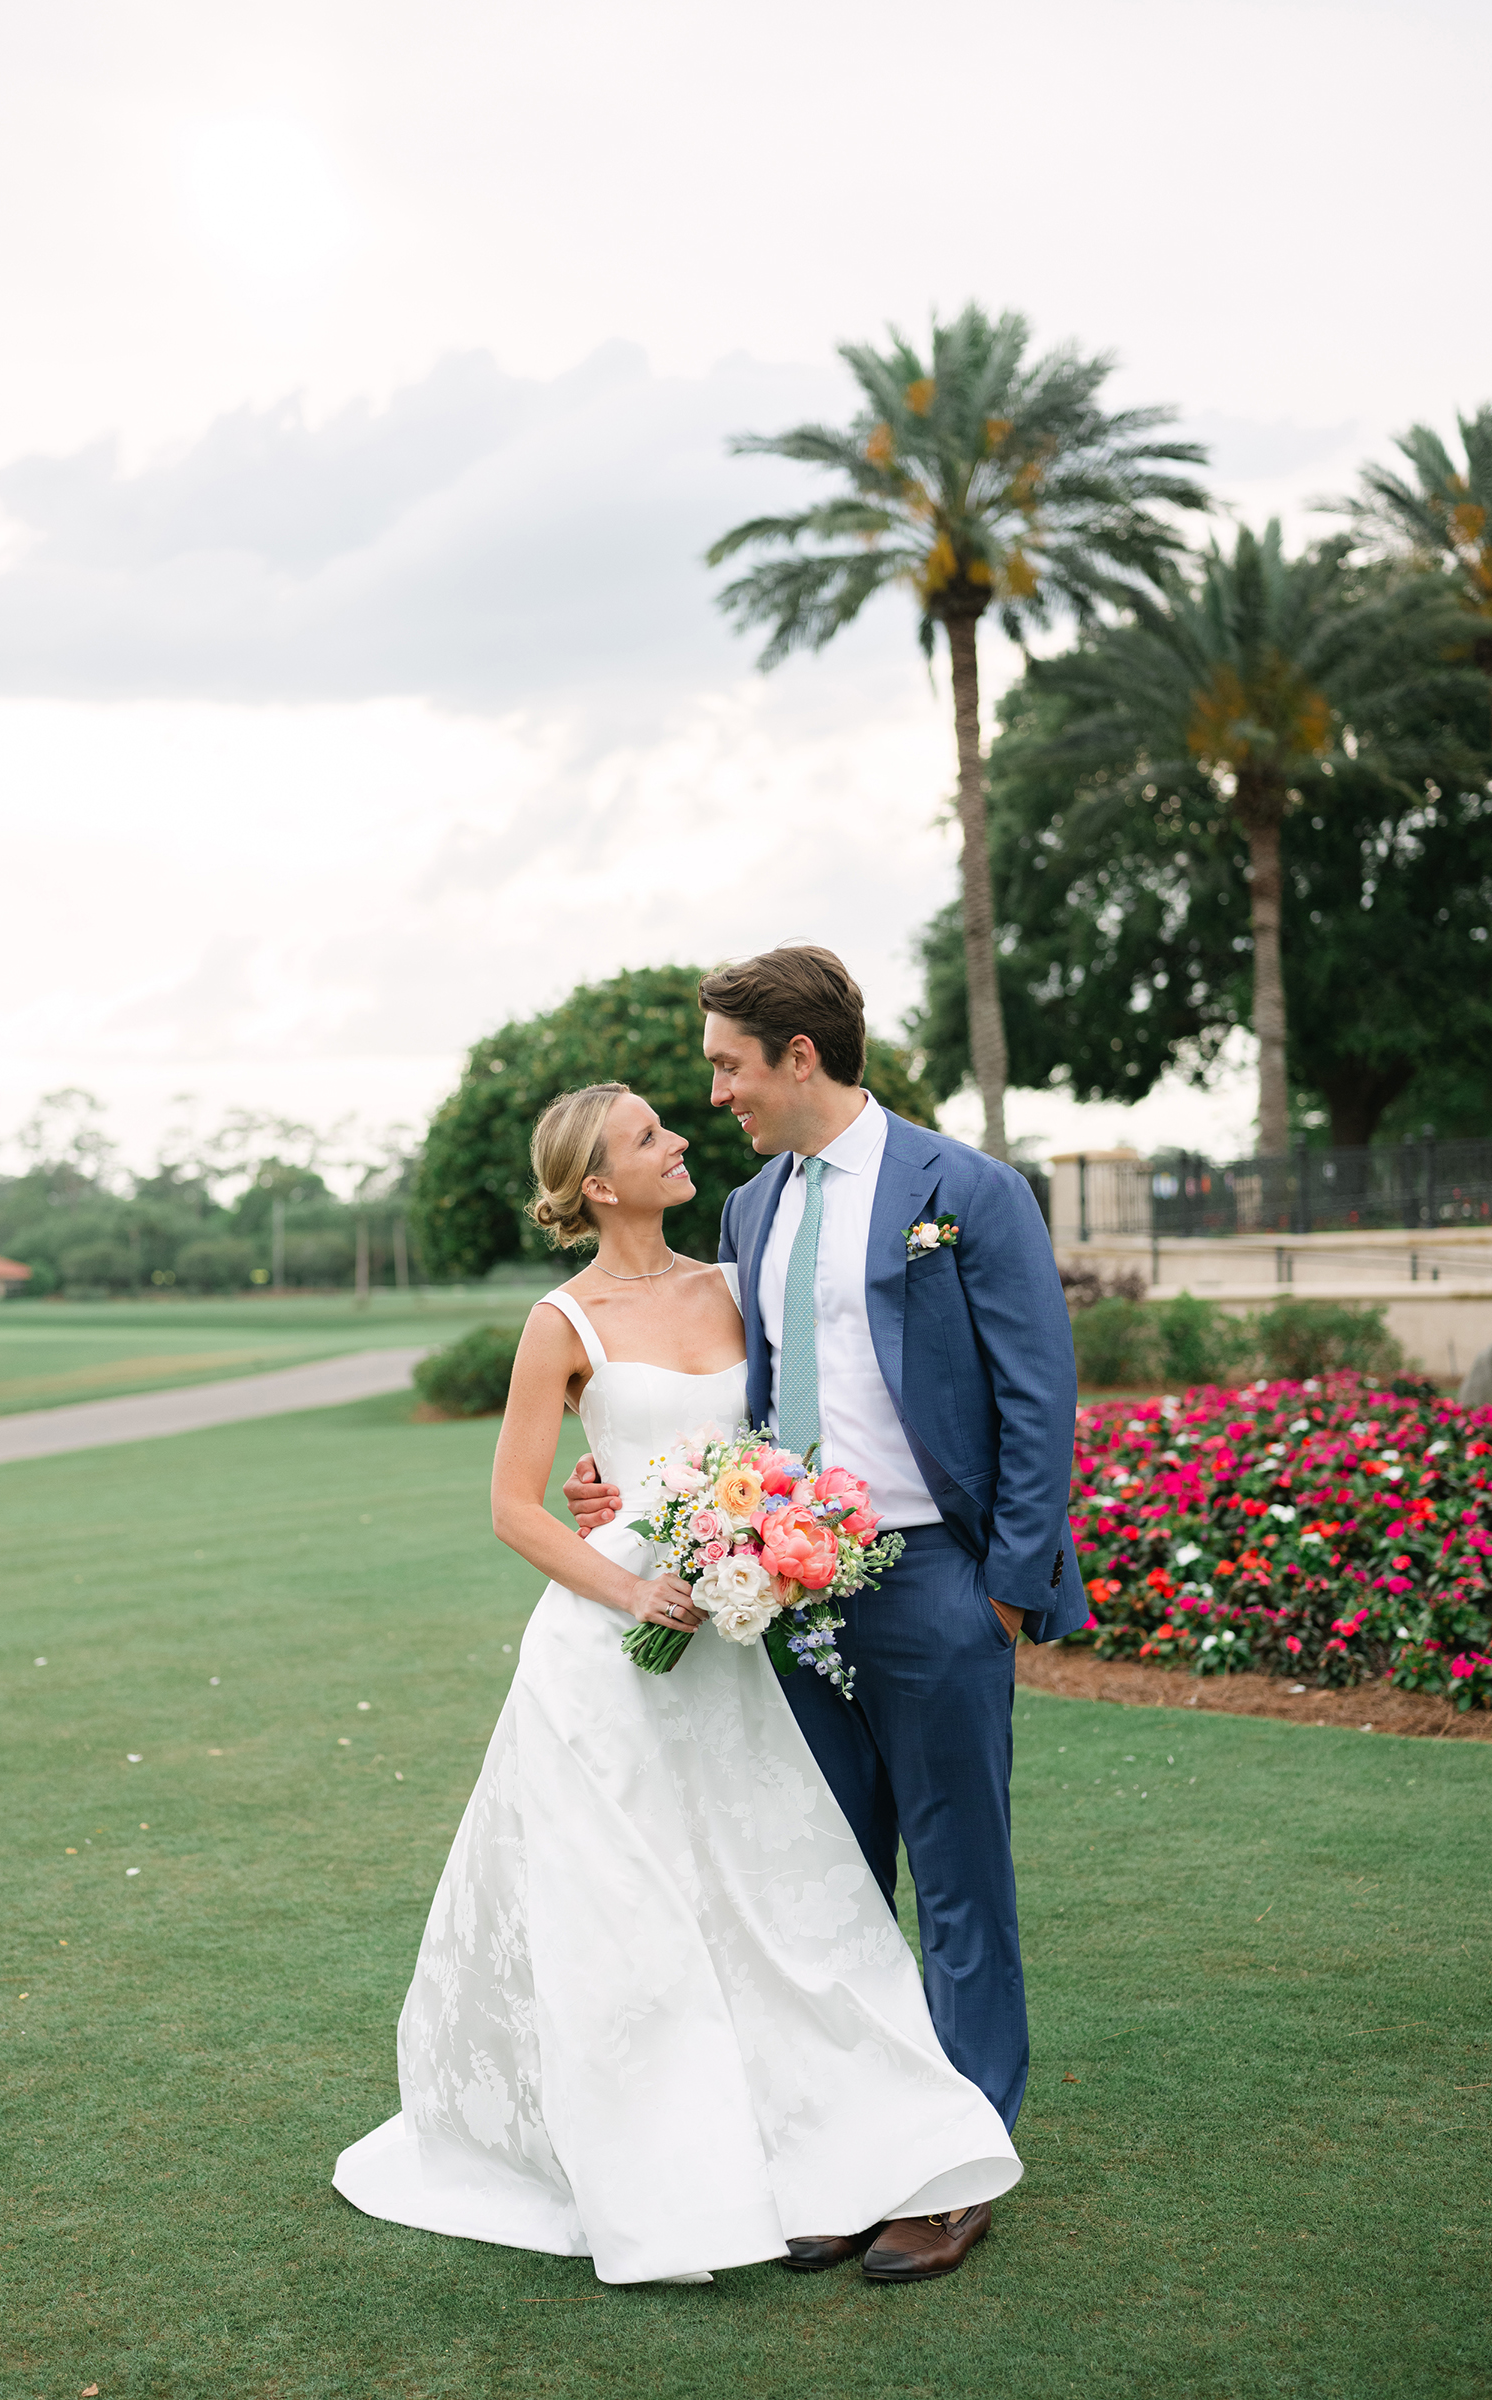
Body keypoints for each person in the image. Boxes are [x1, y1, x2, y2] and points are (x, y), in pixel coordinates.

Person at [333, 1080, 1021, 2287]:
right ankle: (653, 2167)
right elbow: (511, 1508)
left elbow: (783, 1431)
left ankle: (837, 2136)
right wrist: (630, 1581)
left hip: (736, 1627)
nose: (681, 1137)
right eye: (652, 1134)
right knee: (628, 1910)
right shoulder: (563, 1320)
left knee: (763, 1893)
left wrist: (752, 1541)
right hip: (614, 1646)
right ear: (599, 1184)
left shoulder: (730, 1280)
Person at [562, 947, 1087, 2283]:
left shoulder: (965, 1192)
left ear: (802, 1055)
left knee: (962, 1887)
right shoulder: (748, 1212)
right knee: (828, 1891)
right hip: (782, 1597)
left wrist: (1008, 1590)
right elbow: (730, 1399)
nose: (717, 1092)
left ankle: (956, 2170)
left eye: (729, 1065)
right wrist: (618, 1486)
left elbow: (1039, 1399)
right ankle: (857, 2154)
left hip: (933, 1583)